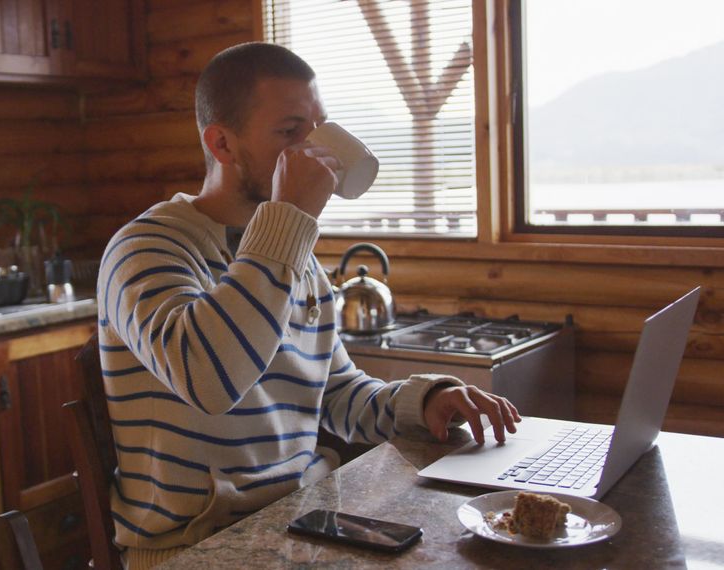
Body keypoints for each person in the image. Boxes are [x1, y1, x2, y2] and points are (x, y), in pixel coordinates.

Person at [96, 41, 520, 569]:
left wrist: (426, 400)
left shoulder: (293, 257)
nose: (314, 151)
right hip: (194, 547)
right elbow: (210, 379)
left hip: (299, 523)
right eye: (289, 132)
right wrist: (289, 218)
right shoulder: (147, 248)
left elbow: (335, 394)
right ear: (222, 143)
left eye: (317, 130)